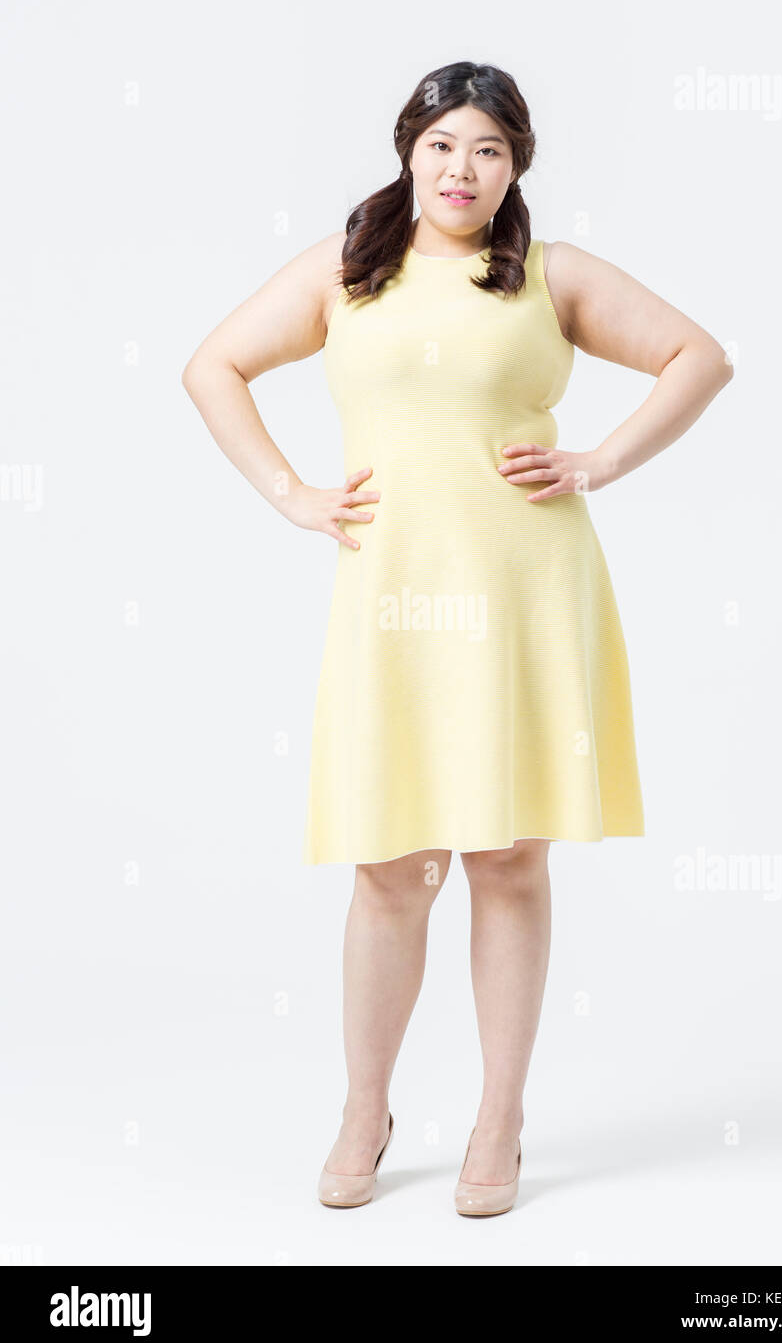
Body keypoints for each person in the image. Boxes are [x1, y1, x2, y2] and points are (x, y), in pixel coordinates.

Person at [182, 60, 733, 1217]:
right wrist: (291, 492)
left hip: (523, 591)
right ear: (407, 153)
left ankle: (498, 1116)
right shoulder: (347, 271)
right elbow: (212, 365)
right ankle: (363, 1108)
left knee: (505, 856)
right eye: (440, 145)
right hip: (391, 601)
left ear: (515, 163)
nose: (460, 168)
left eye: (486, 148)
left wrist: (597, 460)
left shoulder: (547, 275)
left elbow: (699, 357)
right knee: (389, 866)